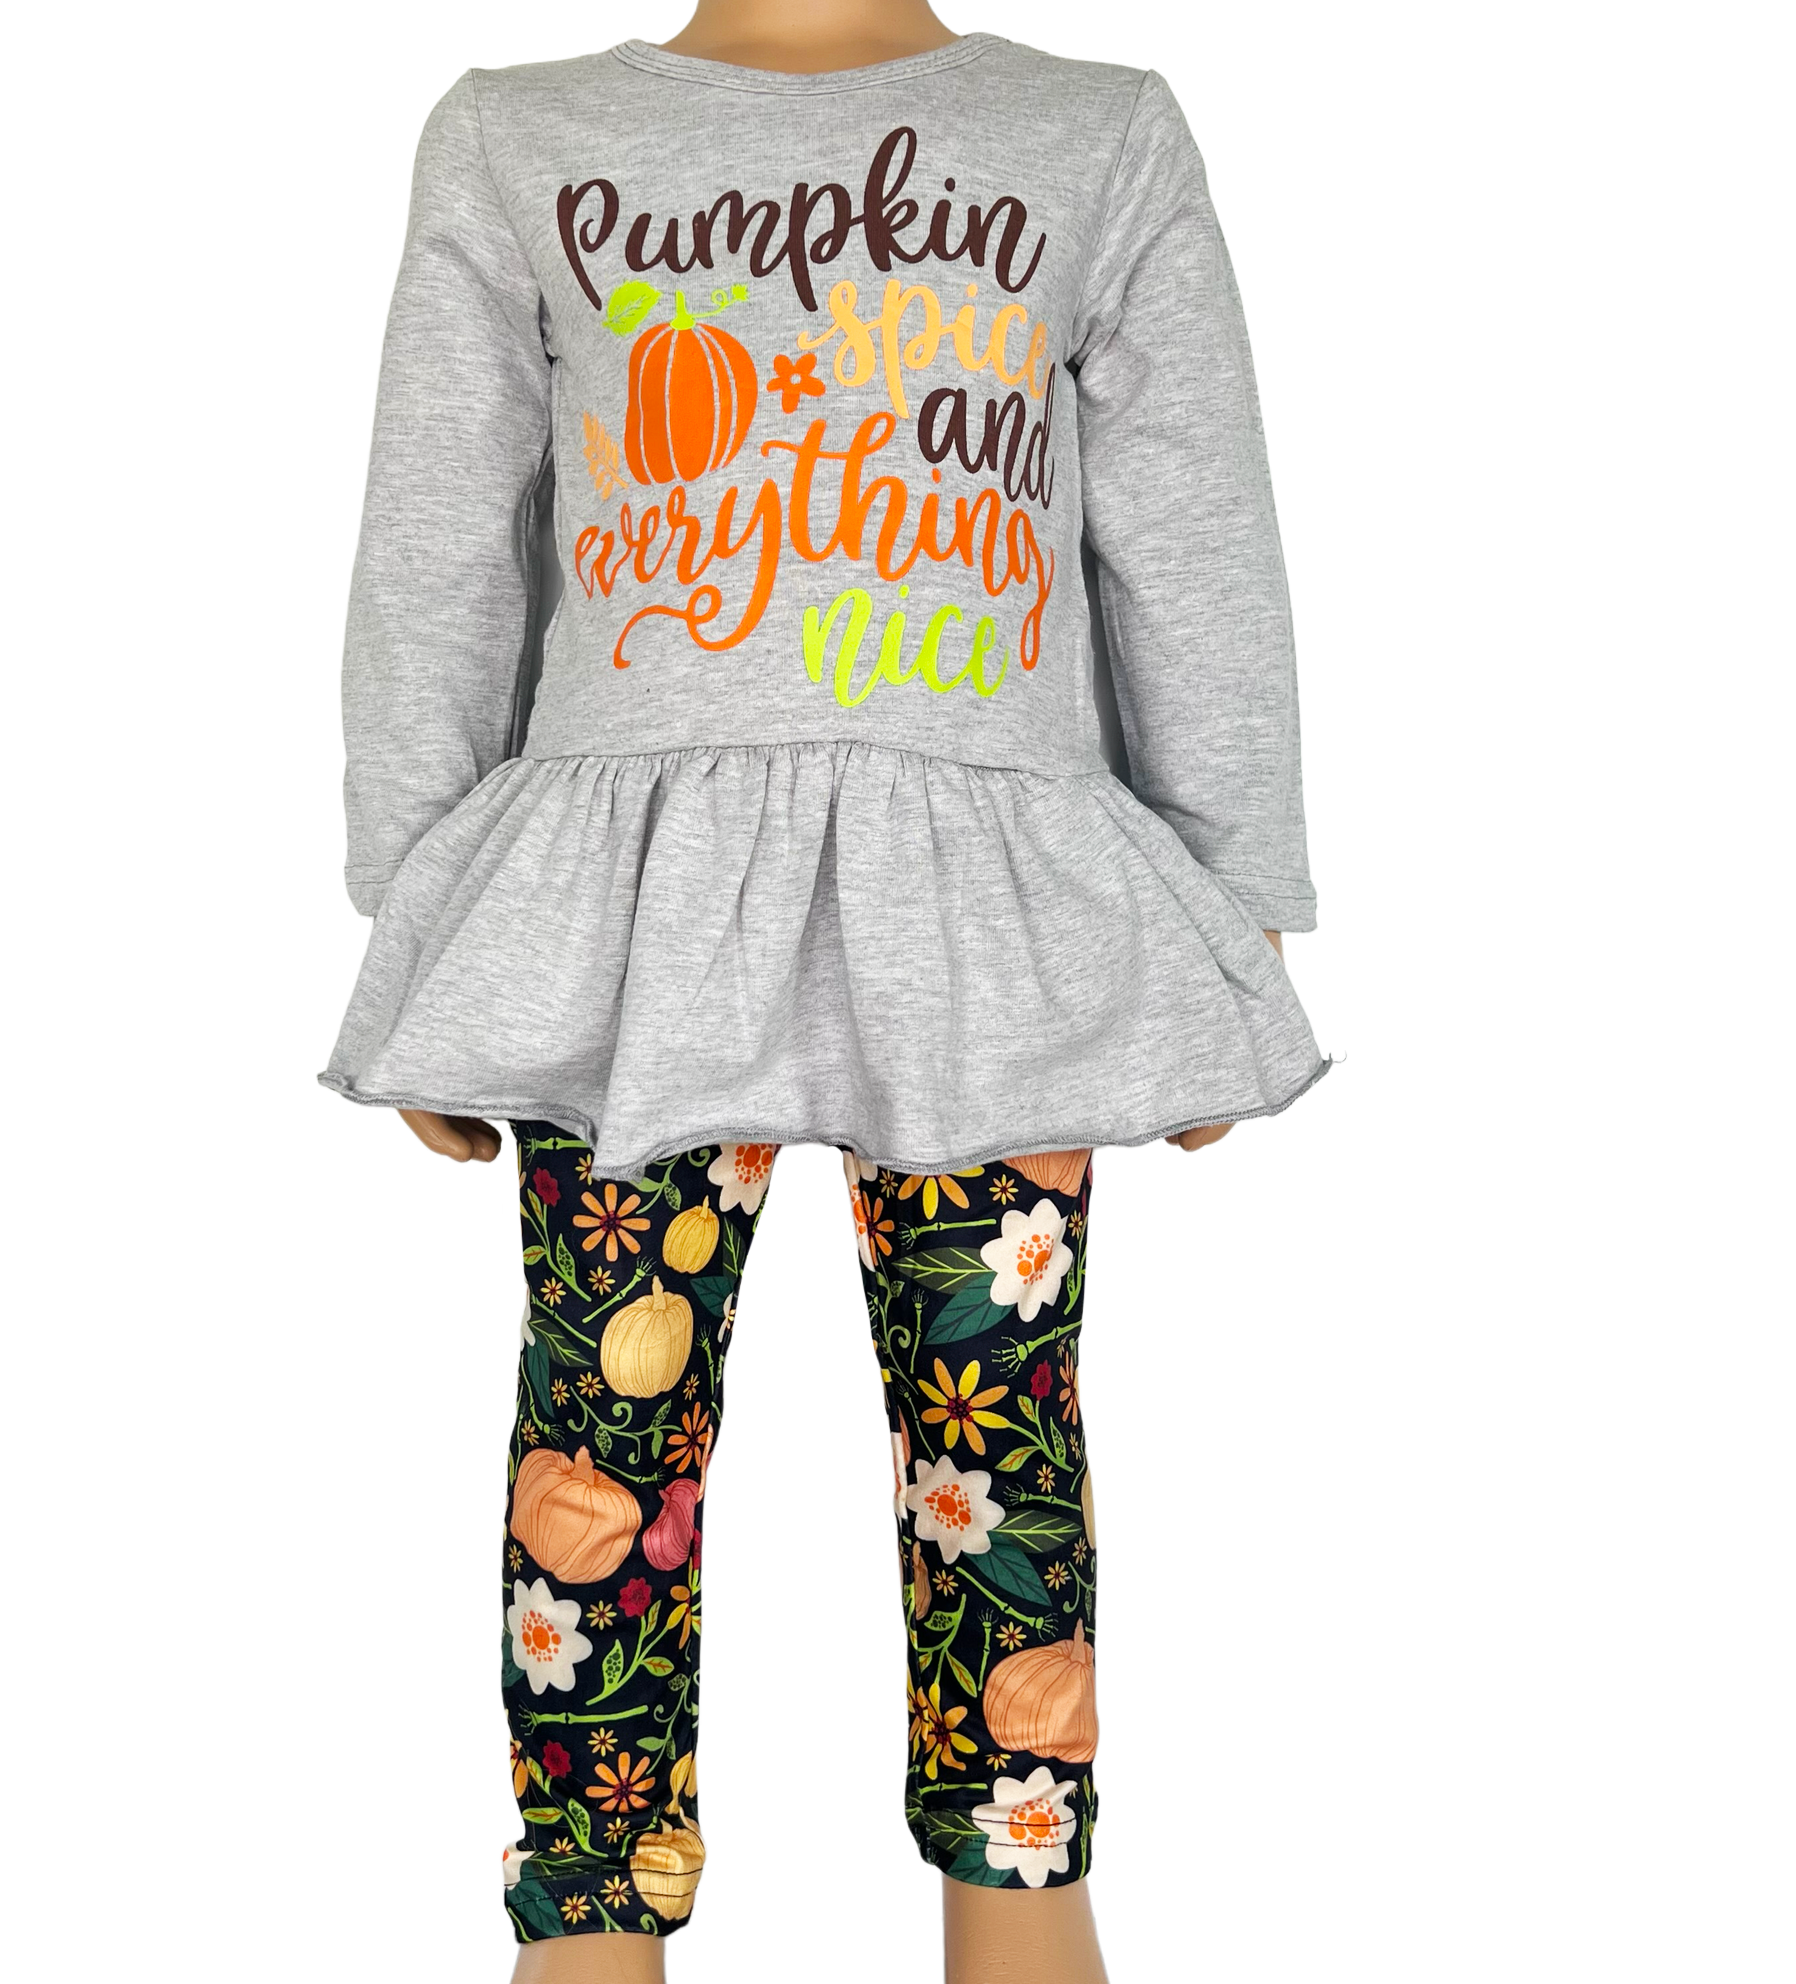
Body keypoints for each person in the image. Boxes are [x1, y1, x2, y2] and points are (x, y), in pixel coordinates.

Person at [319, 2, 1331, 1976]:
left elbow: (1190, 525)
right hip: (630, 904)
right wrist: (418, 907)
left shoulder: (1099, 127)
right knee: (599, 1420)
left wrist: (1235, 911)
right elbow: (438, 537)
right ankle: (588, 1916)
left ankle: (1021, 1895)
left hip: (989, 904)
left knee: (996, 1419)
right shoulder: (512, 131)